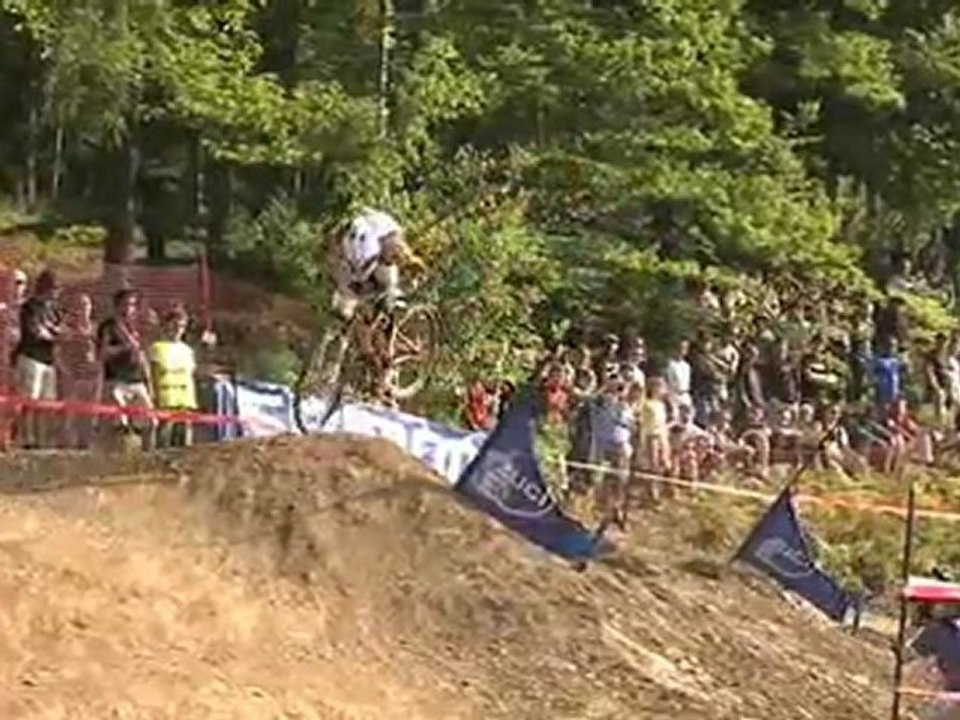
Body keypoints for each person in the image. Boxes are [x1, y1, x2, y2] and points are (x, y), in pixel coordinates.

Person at [97, 289, 155, 449]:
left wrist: (149, 382)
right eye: (126, 304)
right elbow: (103, 353)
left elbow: (142, 356)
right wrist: (124, 347)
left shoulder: (134, 328)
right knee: (118, 424)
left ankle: (148, 457)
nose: (130, 308)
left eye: (133, 305)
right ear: (117, 306)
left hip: (136, 380)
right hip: (116, 380)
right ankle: (115, 457)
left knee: (150, 422)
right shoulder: (109, 327)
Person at [12, 269, 63, 448]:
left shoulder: (54, 308)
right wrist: (54, 334)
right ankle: (26, 438)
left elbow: (60, 328)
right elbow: (36, 331)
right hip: (31, 356)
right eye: (53, 288)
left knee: (47, 402)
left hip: (49, 359)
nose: (56, 292)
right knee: (29, 400)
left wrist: (54, 333)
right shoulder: (30, 306)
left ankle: (43, 439)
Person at [149, 307, 198, 448]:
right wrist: (154, 395)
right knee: (164, 439)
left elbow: (190, 374)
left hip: (184, 400)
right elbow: (153, 372)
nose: (178, 329)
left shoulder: (187, 350)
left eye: (182, 326)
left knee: (184, 442)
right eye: (174, 324)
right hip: (165, 400)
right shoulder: (157, 347)